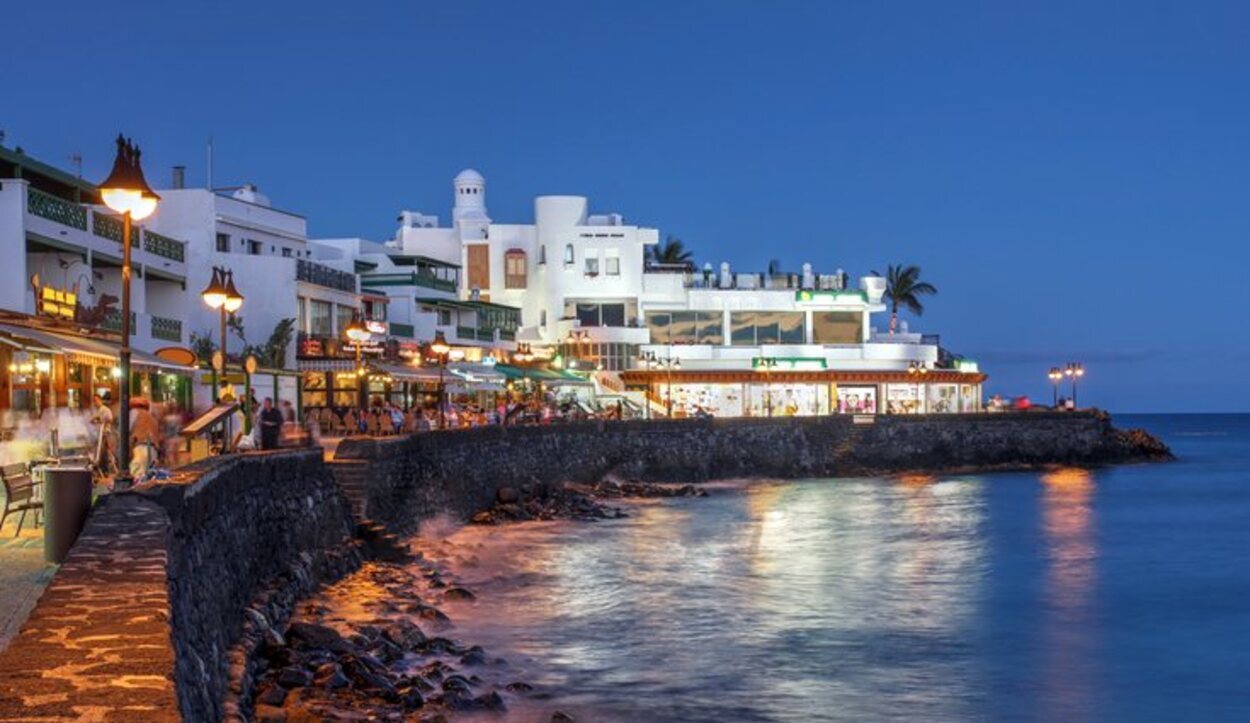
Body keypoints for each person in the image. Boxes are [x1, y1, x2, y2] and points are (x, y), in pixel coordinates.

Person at [129, 399, 162, 481]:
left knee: (136, 476)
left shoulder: (134, 412)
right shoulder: (152, 418)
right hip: (153, 449)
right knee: (148, 477)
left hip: (141, 448)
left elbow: (126, 430)